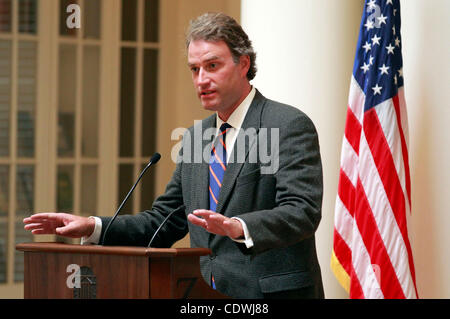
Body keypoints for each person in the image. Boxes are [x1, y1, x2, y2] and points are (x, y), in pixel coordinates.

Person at [23, 12, 324, 299]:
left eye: (212, 66)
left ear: (243, 64)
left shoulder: (287, 124)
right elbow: (164, 221)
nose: (201, 79)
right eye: (195, 69)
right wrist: (94, 226)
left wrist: (238, 226)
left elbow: (302, 210)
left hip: (270, 294)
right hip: (201, 294)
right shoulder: (196, 137)